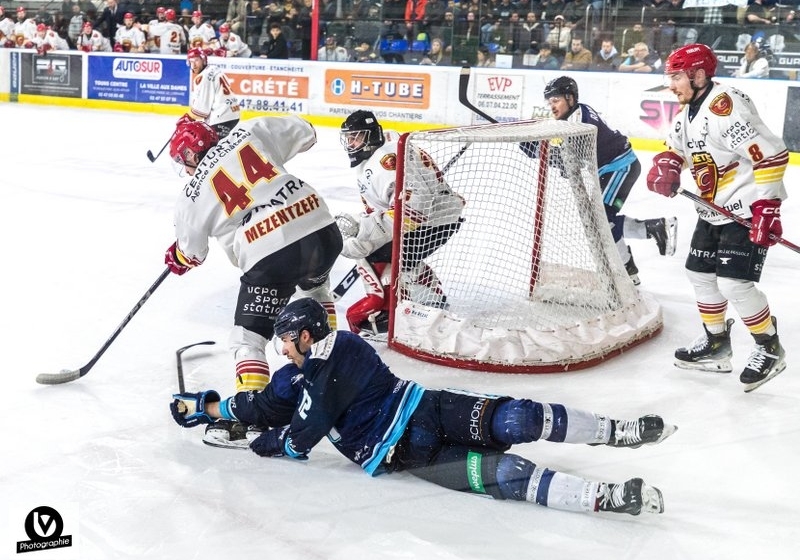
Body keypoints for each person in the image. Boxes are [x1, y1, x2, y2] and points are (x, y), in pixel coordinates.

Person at [170, 297, 676, 517]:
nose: (279, 348)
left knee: (518, 416)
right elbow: (265, 404)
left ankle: (618, 429)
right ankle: (604, 496)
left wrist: (273, 442)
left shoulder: (344, 349)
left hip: (426, 410)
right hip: (406, 456)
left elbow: (305, 431)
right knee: (509, 475)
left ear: (303, 336)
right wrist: (213, 409)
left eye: (283, 340)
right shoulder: (295, 374)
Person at [165, 118, 343, 445]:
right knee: (315, 289)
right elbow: (307, 133)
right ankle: (335, 369)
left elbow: (191, 254)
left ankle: (255, 417)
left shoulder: (191, 195)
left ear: (190, 156)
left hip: (270, 253)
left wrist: (176, 256)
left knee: (248, 338)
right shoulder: (250, 131)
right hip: (321, 228)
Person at [646, 43, 787, 392]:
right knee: (699, 274)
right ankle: (717, 345)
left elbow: (770, 155)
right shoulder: (687, 112)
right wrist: (668, 163)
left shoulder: (725, 106)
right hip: (713, 210)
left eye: (677, 76)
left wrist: (767, 207)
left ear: (699, 74)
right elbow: (676, 147)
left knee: (735, 284)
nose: (672, 84)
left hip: (745, 209)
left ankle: (770, 349)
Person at [335, 110, 464, 335]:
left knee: (375, 254)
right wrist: (369, 227)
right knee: (395, 255)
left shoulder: (384, 161)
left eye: (357, 137)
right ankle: (431, 298)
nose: (351, 143)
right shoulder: (384, 152)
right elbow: (385, 207)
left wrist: (370, 235)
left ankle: (385, 307)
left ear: (372, 135)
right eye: (349, 137)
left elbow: (416, 207)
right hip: (437, 217)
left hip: (431, 222)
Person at [542, 77, 678, 284]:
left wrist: (540, 151)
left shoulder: (579, 121)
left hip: (620, 167)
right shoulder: (575, 115)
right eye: (549, 102)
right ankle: (652, 231)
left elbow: (570, 161)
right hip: (611, 169)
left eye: (556, 101)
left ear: (570, 98)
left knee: (602, 219)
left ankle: (628, 267)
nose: (552, 107)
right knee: (602, 220)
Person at [186, 47, 241, 139]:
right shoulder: (214, 69)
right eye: (191, 62)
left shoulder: (203, 78)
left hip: (221, 119)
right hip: (233, 115)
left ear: (203, 60)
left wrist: (188, 117)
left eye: (196, 61)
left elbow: (202, 111)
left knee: (209, 149)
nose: (193, 65)